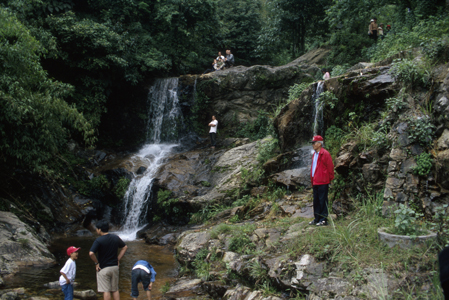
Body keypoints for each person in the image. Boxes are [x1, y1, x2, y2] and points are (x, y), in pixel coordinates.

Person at [89, 221, 128, 300]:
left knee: (106, 290)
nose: (96, 230)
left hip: (103, 268)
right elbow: (125, 247)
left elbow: (91, 253)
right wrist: (118, 259)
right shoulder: (115, 237)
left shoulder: (99, 240)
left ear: (99, 230)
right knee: (115, 289)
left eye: (97, 229)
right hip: (114, 267)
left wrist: (96, 263)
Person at [309, 135, 334, 226]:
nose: (313, 145)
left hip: (323, 181)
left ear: (319, 144)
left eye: (314, 143)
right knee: (316, 201)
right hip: (315, 181)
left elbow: (330, 167)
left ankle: (323, 219)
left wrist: (330, 179)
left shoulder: (325, 154)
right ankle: (317, 218)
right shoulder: (315, 154)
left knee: (322, 200)